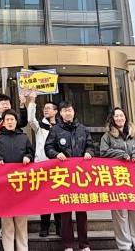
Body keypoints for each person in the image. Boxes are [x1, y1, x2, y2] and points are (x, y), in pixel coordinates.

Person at [45, 101, 95, 251]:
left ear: (74, 112)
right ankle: (68, 245)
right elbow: (48, 147)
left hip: (80, 176)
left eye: (70, 110)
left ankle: (84, 244)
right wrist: (56, 154)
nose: (68, 113)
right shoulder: (55, 130)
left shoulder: (83, 129)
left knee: (81, 211)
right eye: (65, 110)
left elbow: (91, 146)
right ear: (60, 113)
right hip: (63, 176)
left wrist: (89, 152)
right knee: (65, 212)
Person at [100, 108, 135, 251]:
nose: (120, 118)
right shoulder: (107, 136)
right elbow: (103, 152)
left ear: (125, 118)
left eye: (122, 115)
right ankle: (124, 245)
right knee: (120, 210)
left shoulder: (134, 134)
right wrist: (121, 154)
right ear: (112, 119)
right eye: (117, 116)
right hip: (116, 176)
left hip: (133, 175)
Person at [0, 110, 34, 251]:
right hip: (4, 185)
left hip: (21, 184)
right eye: (7, 120)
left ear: (16, 122)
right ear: (3, 122)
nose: (10, 122)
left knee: (21, 222)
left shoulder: (24, 137)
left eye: (12, 119)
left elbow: (31, 153)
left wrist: (28, 157)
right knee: (7, 223)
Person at [27, 94, 61, 238]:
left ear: (56, 111)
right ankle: (44, 227)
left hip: (58, 166)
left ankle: (60, 227)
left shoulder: (61, 127)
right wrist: (32, 101)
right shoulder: (40, 127)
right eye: (44, 108)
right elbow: (30, 119)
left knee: (58, 198)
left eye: (49, 108)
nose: (46, 110)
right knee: (44, 198)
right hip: (43, 166)